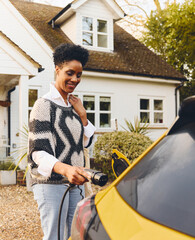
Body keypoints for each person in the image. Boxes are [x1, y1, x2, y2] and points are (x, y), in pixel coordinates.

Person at [28, 43, 96, 240]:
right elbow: (38, 152)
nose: (75, 79)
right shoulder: (44, 105)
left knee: (75, 235)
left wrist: (83, 116)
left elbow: (84, 145)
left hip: (76, 184)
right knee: (55, 236)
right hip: (51, 183)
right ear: (57, 70)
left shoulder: (74, 105)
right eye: (70, 73)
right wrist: (65, 169)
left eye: (79, 74)